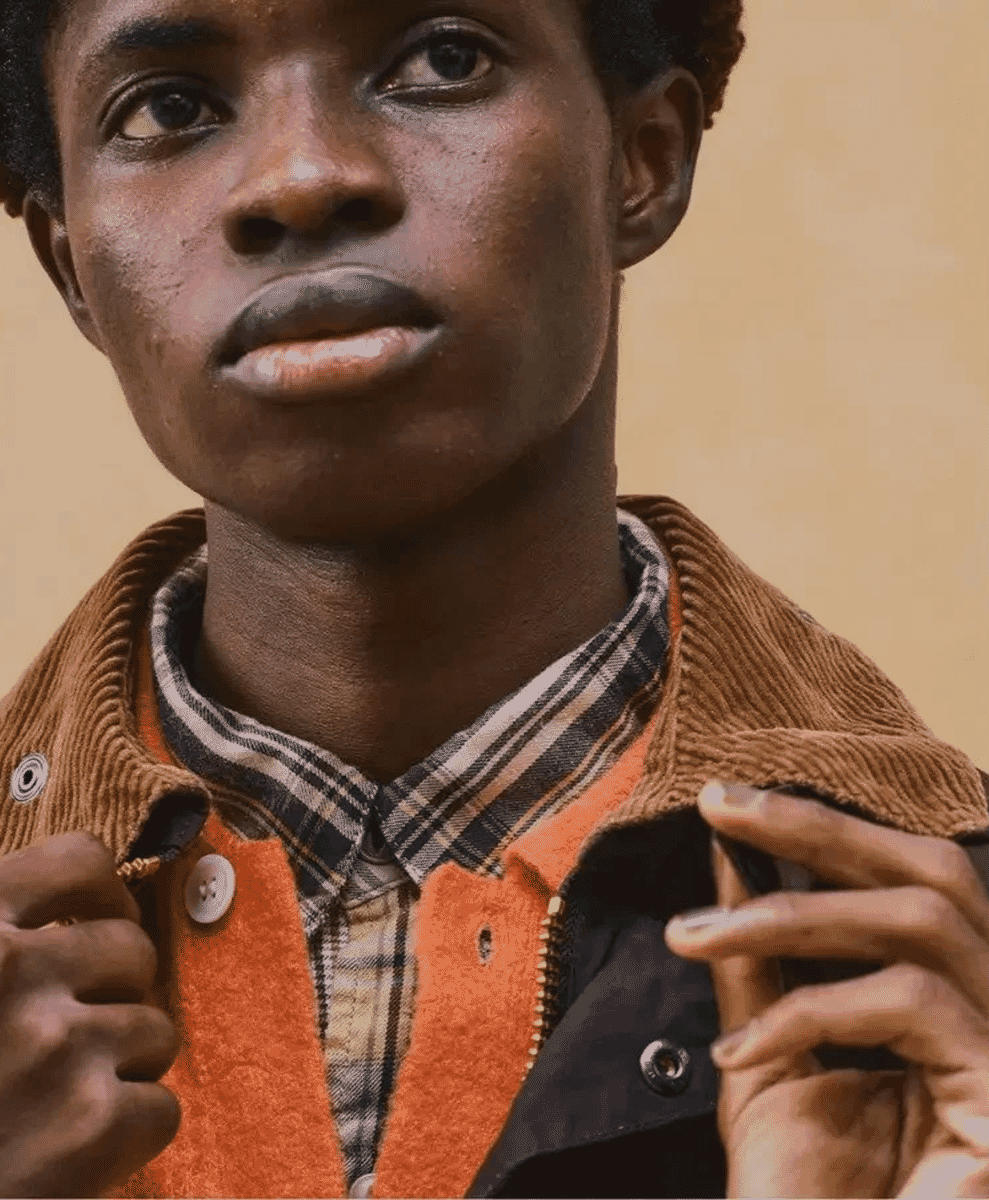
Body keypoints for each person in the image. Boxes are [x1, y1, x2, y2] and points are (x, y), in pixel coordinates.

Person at [0, 0, 987, 1196]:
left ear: (643, 158)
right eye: (168, 108)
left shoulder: (957, 986)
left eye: (443, 58)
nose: (301, 178)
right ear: (70, 265)